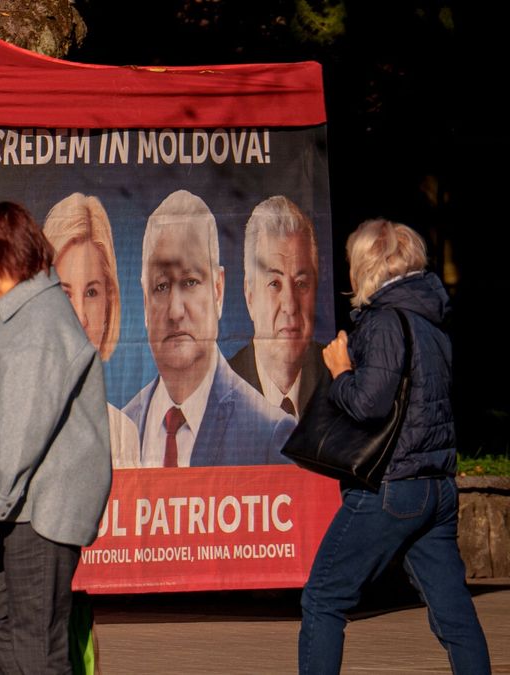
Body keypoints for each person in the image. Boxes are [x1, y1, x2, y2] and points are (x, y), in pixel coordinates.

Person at [298, 219, 490, 674]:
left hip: (392, 487)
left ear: (368, 264)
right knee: (454, 614)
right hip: (436, 487)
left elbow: (369, 404)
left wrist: (341, 370)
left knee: (323, 598)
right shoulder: (431, 322)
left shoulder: (385, 320)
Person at [0, 202, 112, 673]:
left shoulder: (38, 322)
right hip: (20, 504)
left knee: (36, 640)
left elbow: (26, 424)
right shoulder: (16, 312)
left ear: (9, 252)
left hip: (41, 506)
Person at [123, 189, 294, 466]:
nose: (175, 310)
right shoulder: (120, 430)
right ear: (145, 302)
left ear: (218, 290)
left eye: (190, 282)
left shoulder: (270, 434)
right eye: (161, 286)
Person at [43, 192, 141, 470]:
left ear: (109, 302)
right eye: (65, 293)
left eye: (92, 292)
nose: (81, 317)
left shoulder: (124, 434)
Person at [229, 196, 330, 419]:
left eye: (301, 284)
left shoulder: (340, 383)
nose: (290, 305)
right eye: (274, 284)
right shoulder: (218, 395)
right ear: (250, 296)